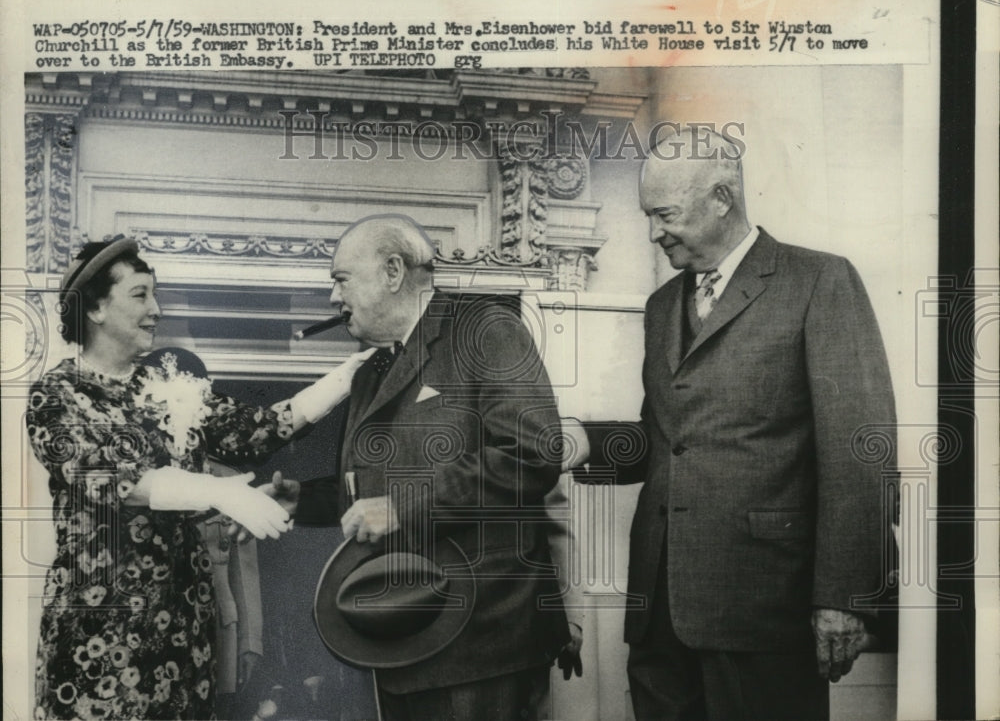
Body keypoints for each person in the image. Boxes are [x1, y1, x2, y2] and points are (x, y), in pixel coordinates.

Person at [573, 127, 897, 721]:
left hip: (765, 609)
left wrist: (846, 598)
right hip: (660, 612)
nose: (654, 232)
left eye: (665, 214)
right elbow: (668, 441)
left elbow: (860, 451)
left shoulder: (819, 281)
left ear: (722, 199)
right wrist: (581, 443)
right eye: (648, 215)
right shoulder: (662, 306)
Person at [25, 237, 372, 720]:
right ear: (96, 309)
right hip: (101, 633)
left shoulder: (169, 385)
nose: (157, 309)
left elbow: (258, 430)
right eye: (141, 295)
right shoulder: (57, 395)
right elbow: (112, 479)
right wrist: (215, 491)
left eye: (156, 294)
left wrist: (351, 373)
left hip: (183, 625)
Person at [268, 215, 571, 721]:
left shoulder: (486, 328)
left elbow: (531, 456)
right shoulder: (374, 366)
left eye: (340, 279)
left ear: (392, 271)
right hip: (405, 635)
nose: (331, 298)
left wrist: (401, 507)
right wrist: (308, 500)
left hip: (480, 642)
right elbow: (375, 492)